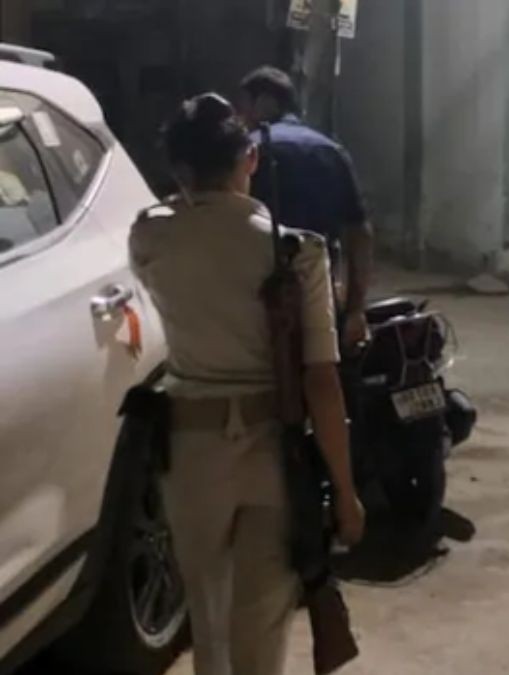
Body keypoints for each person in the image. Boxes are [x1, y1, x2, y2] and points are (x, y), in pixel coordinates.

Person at [129, 93, 365, 675]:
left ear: (177, 169)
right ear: (251, 158)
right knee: (260, 620)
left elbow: (173, 217)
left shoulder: (149, 238)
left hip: (189, 448)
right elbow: (321, 381)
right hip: (273, 449)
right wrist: (345, 489)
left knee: (207, 618)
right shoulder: (296, 251)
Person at [236, 65, 373, 350]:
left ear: (265, 103)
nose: (242, 118)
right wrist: (356, 310)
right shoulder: (331, 151)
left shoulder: (247, 153)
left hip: (257, 300)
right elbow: (360, 235)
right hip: (320, 292)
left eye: (245, 107)